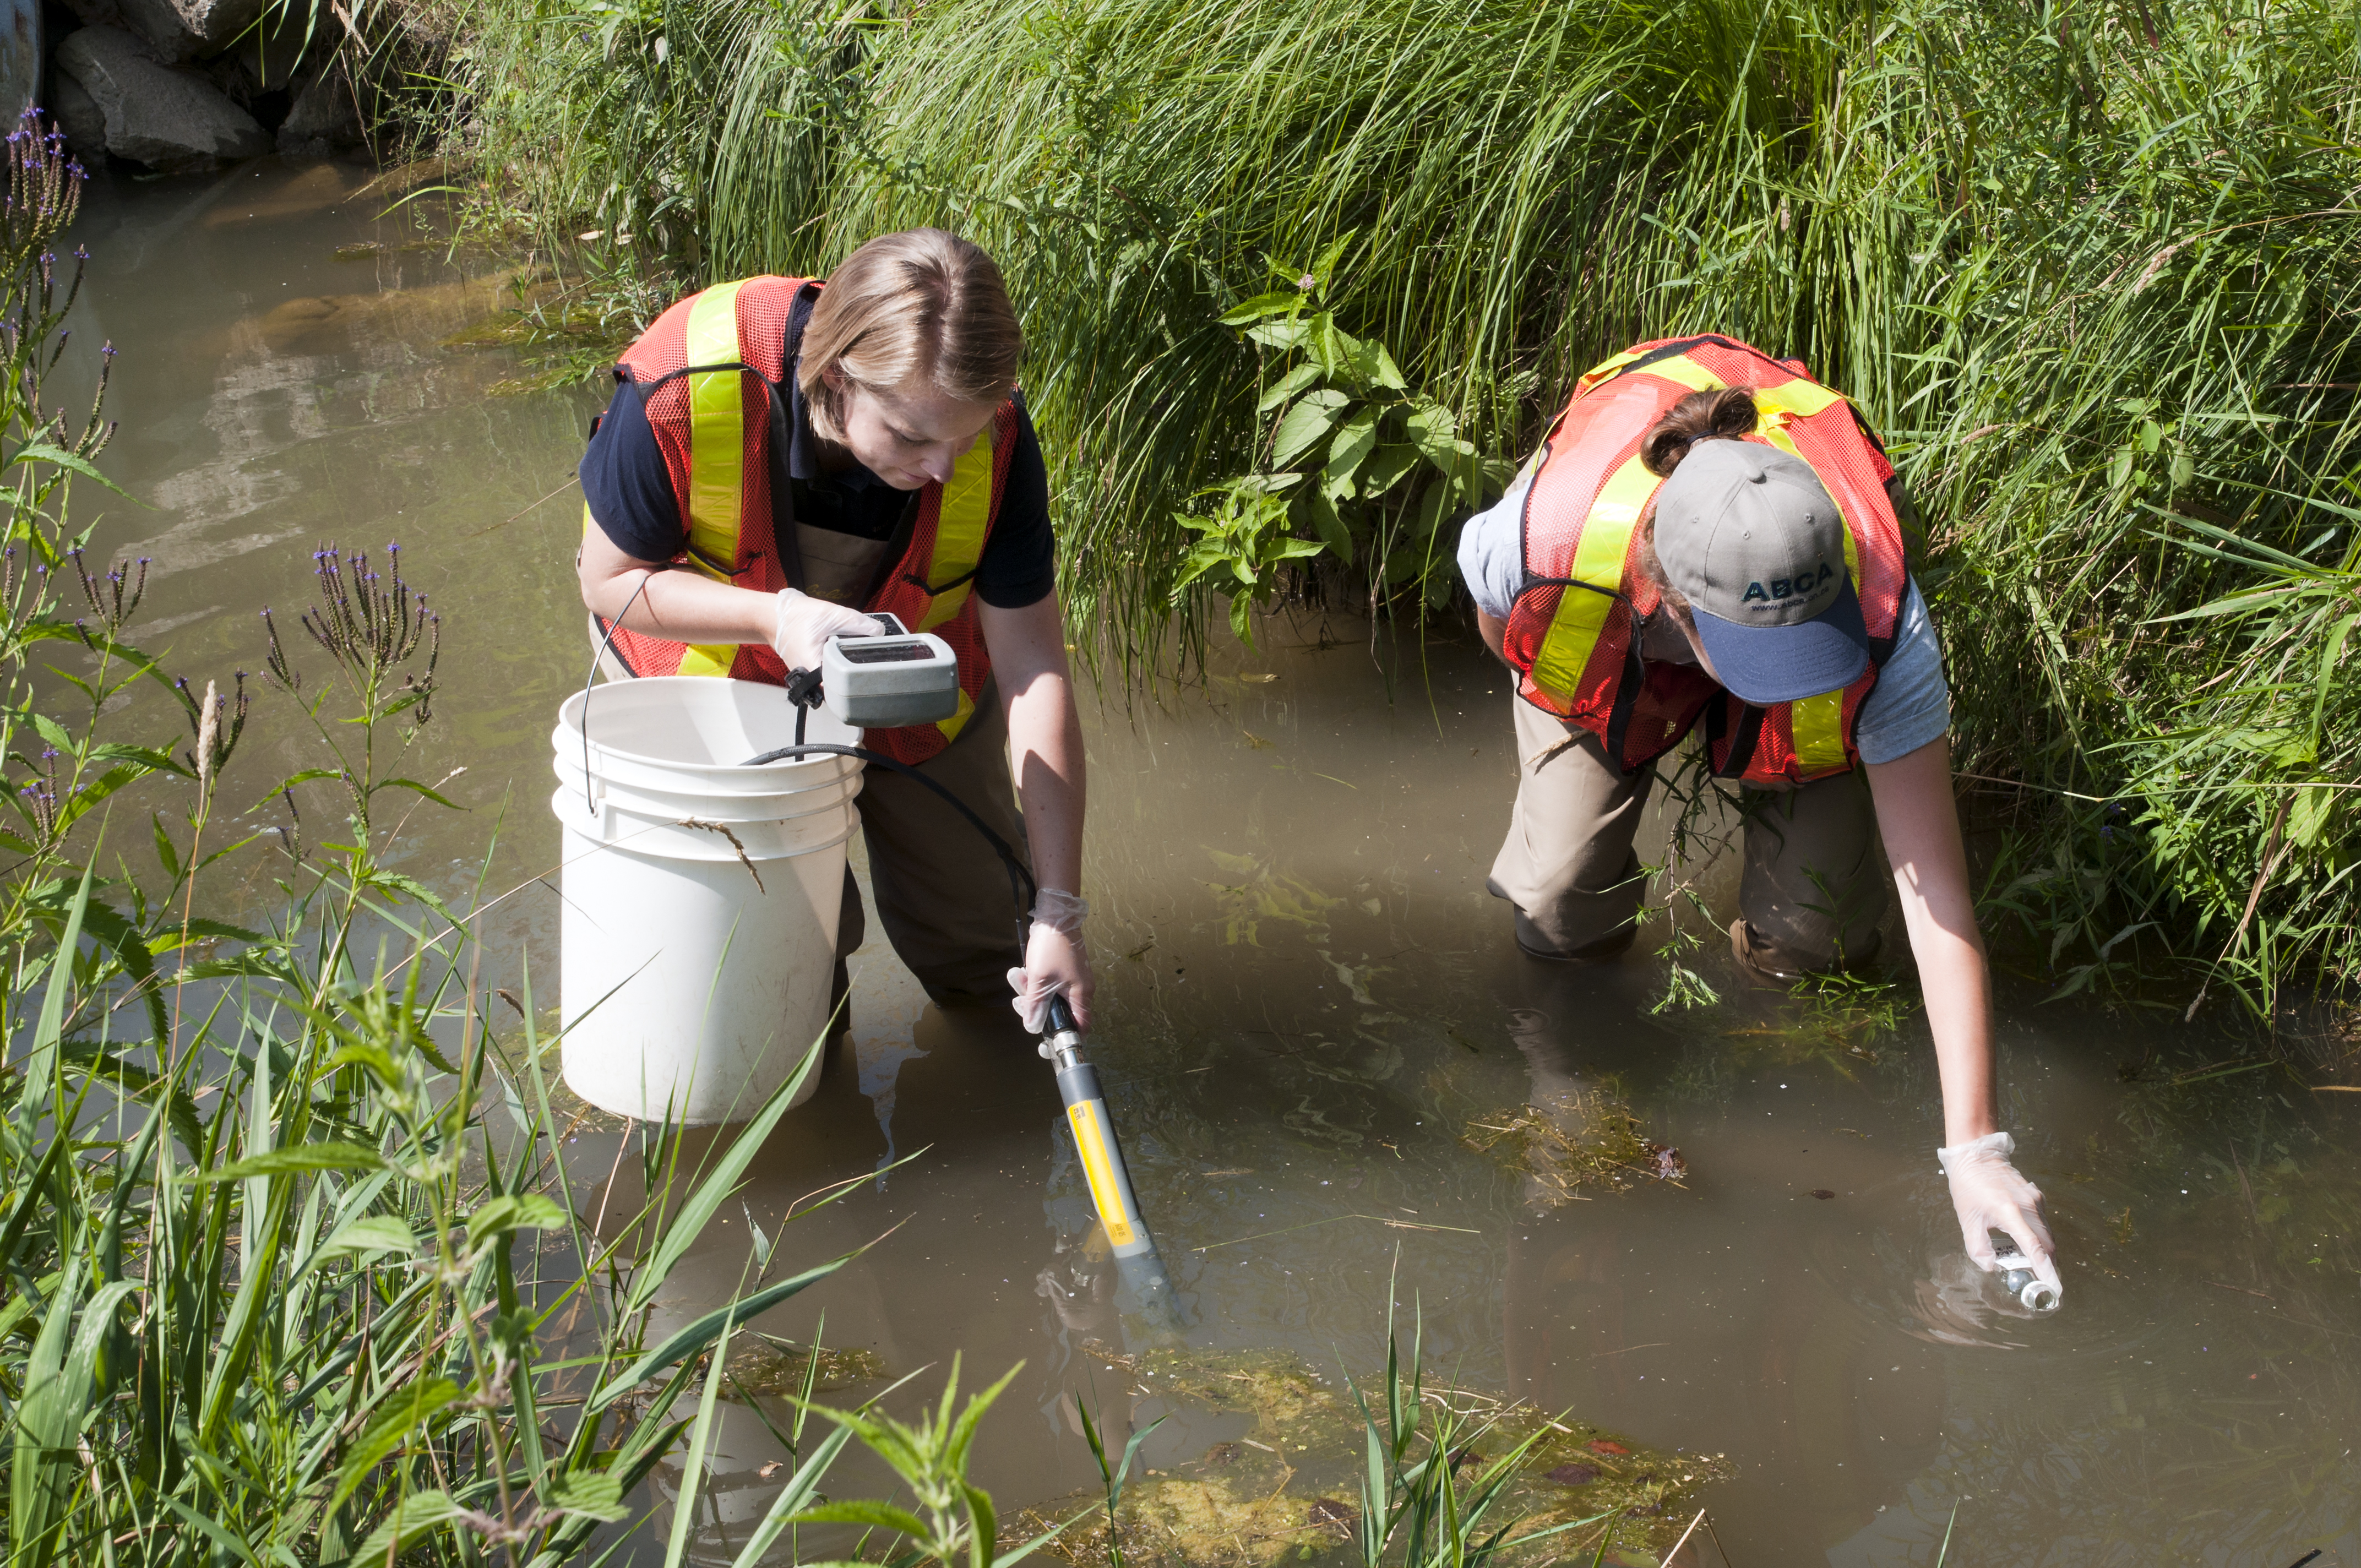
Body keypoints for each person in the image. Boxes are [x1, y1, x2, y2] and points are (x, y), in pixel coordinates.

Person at [1456, 333, 2060, 1295]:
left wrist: (1976, 1152)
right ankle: (1578, 1072)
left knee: (1813, 941)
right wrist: (1613, 711)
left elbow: (1938, 899)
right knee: (1560, 906)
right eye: (1759, 662)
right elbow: (1508, 636)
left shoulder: (1883, 614)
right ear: (1668, 599)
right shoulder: (1543, 538)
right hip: (1613, 630)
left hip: (1775, 606)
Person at [575, 228, 1092, 1040]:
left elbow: (1033, 672)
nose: (946, 469)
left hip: (921, 703)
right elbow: (606, 580)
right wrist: (775, 615)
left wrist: (1062, 909)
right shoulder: (686, 383)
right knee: (782, 978)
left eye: (964, 436)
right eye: (915, 438)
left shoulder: (990, 436)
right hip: (719, 695)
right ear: (837, 379)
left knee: (992, 956)